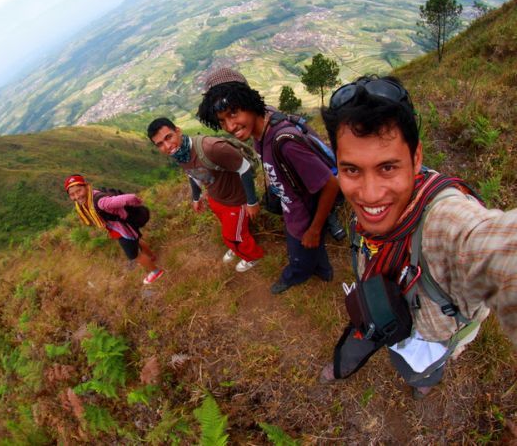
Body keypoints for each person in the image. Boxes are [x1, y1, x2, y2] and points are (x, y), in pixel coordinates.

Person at [317, 75, 517, 399]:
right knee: (373, 333)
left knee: (425, 365)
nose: (368, 194)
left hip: (435, 334)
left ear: (417, 158)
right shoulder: (383, 203)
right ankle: (350, 364)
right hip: (384, 301)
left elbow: (488, 243)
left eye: (387, 168)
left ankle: (423, 380)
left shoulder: (443, 221)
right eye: (352, 170)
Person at [196, 67, 340, 294]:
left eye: (233, 113)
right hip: (293, 205)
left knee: (300, 249)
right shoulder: (261, 125)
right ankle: (323, 269)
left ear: (249, 101)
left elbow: (331, 184)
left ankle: (294, 275)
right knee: (311, 247)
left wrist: (314, 228)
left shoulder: (285, 142)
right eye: (222, 121)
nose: (230, 127)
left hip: (303, 213)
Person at [146, 117, 264, 272]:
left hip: (236, 200)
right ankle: (237, 246)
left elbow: (245, 169)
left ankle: (252, 256)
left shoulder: (211, 148)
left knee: (231, 236)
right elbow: (192, 174)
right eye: (160, 144)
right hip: (216, 198)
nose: (167, 146)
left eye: (168, 137)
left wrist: (251, 202)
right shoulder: (181, 154)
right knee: (232, 231)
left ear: (178, 131)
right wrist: (196, 197)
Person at [64, 174, 164, 285]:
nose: (77, 196)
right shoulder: (91, 196)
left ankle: (155, 271)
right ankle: (151, 257)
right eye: (72, 194)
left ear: (86, 187)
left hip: (123, 230)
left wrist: (137, 201)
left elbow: (127, 198)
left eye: (79, 191)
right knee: (137, 241)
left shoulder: (100, 202)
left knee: (135, 255)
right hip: (120, 227)